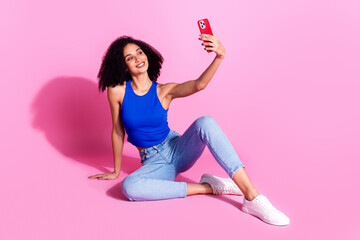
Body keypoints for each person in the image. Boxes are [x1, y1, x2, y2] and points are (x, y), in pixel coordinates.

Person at [89, 34, 290, 226]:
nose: (138, 58)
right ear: (123, 65)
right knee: (130, 187)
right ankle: (210, 187)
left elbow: (198, 85)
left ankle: (252, 197)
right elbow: (117, 131)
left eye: (139, 52)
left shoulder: (164, 90)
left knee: (205, 122)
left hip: (177, 149)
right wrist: (116, 171)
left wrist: (219, 56)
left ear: (147, 54)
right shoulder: (117, 91)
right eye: (129, 57)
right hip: (154, 162)